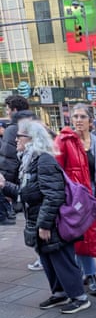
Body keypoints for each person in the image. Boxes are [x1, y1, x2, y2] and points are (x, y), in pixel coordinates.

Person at [0, 120, 90, 313]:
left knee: (62, 260)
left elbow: (54, 195)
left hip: (52, 222)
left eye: (20, 136)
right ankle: (59, 294)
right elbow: (26, 192)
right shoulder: (30, 161)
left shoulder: (44, 160)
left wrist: (44, 225)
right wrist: (5, 185)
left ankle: (79, 297)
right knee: (49, 260)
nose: (15, 140)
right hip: (39, 220)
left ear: (32, 139)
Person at [55, 103, 96, 297]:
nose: (78, 120)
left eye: (83, 117)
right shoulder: (64, 141)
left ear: (90, 120)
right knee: (81, 235)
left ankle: (92, 270)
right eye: (75, 117)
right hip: (75, 198)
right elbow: (57, 171)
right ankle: (89, 275)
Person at [0, 95, 36, 225]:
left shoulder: (12, 129)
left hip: (20, 184)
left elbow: (8, 161)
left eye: (8, 109)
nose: (7, 112)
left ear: (14, 110)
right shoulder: (35, 124)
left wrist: (6, 187)